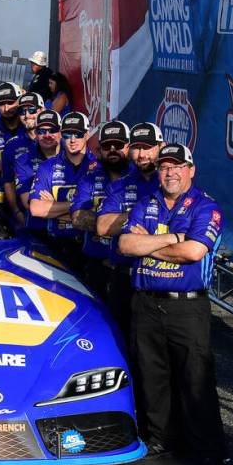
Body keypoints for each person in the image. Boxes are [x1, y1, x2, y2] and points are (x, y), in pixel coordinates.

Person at [117, 143, 230, 465]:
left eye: (177, 167)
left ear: (190, 170)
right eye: (165, 167)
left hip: (188, 306)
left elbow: (193, 252)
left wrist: (149, 243)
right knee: (153, 375)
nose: (170, 173)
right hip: (147, 303)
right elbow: (125, 245)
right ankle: (162, 440)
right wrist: (172, 239)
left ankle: (209, 451)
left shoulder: (206, 207)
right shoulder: (145, 202)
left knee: (196, 379)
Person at [97, 122, 162, 332]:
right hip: (124, 277)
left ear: (160, 147)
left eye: (148, 148)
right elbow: (103, 226)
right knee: (119, 339)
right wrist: (144, 216)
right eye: (137, 148)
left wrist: (128, 220)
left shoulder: (170, 181)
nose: (142, 154)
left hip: (160, 278)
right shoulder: (120, 184)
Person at [70, 120, 132, 298]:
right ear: (99, 149)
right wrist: (125, 222)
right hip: (96, 266)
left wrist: (100, 218)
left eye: (118, 144)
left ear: (128, 147)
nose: (112, 149)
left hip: (129, 270)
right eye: (107, 145)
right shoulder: (88, 179)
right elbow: (78, 219)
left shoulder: (140, 179)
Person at [29, 110, 94, 269]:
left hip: (90, 249)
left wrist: (54, 206)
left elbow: (100, 215)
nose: (72, 140)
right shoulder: (47, 166)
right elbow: (36, 209)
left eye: (77, 134)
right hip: (57, 246)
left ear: (87, 134)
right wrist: (80, 208)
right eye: (67, 135)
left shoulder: (98, 166)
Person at [0, 91, 43, 229]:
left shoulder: (54, 138)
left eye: (31, 110)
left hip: (55, 212)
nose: (27, 115)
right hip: (26, 216)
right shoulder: (12, 145)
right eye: (22, 111)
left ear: (42, 110)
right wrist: (16, 211)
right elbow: (8, 182)